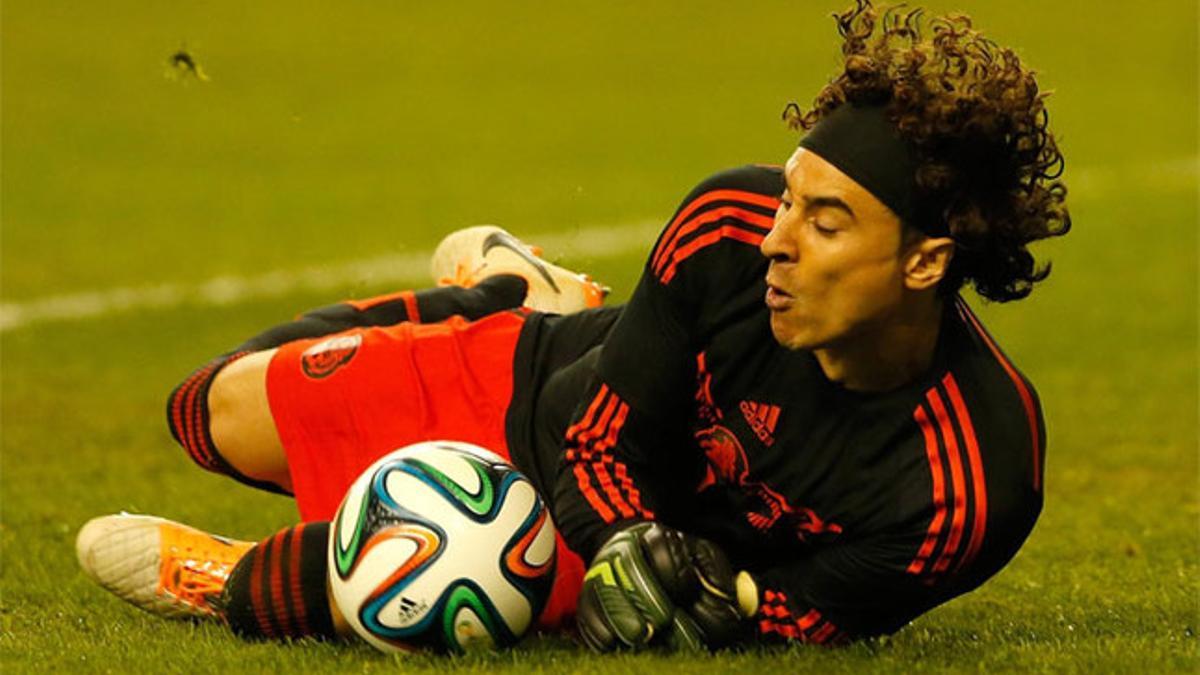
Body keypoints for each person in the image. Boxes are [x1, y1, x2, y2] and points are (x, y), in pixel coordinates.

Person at [77, 0, 1069, 649]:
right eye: (789, 201)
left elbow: (825, 611)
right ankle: (515, 294)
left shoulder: (973, 481)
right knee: (207, 414)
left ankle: (238, 584)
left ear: (925, 261)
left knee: (455, 566)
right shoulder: (725, 229)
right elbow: (588, 432)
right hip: (547, 392)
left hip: (644, 540)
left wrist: (722, 596)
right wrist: (624, 546)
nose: (779, 239)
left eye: (825, 220)